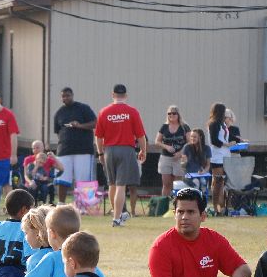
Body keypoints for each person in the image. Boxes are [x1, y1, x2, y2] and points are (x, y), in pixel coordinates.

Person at [95, 83, 147, 226]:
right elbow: (141, 135)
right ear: (126, 96)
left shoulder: (104, 112)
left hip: (109, 150)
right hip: (126, 149)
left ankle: (117, 213)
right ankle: (117, 218)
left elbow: (98, 136)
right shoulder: (132, 112)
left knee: (112, 184)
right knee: (121, 186)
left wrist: (100, 153)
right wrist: (143, 150)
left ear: (113, 95)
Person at [52, 87, 97, 203]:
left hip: (83, 151)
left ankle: (85, 204)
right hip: (64, 151)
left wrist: (80, 126)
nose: (65, 98)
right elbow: (58, 131)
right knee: (62, 178)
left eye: (67, 95)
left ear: (72, 95)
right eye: (63, 96)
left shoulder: (83, 108)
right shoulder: (59, 113)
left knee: (83, 180)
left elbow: (95, 123)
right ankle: (61, 204)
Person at [155, 106, 189, 197]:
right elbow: (157, 141)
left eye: (174, 113)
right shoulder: (164, 127)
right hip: (165, 157)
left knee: (178, 184)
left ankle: (178, 204)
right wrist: (166, 147)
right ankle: (164, 204)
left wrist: (181, 153)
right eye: (169, 113)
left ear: (178, 115)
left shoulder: (184, 127)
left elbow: (190, 142)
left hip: (179, 159)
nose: (171, 115)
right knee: (166, 184)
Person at [22, 141, 64, 205]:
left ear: (43, 148)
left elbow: (61, 169)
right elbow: (25, 175)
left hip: (43, 183)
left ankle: (44, 203)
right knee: (33, 187)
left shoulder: (48, 159)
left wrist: (54, 157)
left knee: (46, 187)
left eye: (37, 148)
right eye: (33, 148)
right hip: (31, 182)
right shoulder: (28, 159)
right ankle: (33, 204)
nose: (35, 150)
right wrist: (30, 182)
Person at [207, 103, 230, 215]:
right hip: (217, 157)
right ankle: (217, 208)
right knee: (218, 182)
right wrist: (227, 144)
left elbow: (224, 137)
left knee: (223, 183)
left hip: (225, 155)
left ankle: (223, 207)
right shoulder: (214, 123)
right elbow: (214, 140)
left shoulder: (222, 123)